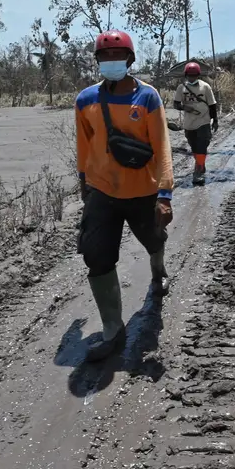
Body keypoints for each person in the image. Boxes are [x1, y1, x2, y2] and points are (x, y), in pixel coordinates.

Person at [75, 30, 176, 362]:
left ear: (130, 60)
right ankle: (112, 331)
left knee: (153, 238)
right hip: (103, 191)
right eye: (105, 57)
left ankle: (158, 270)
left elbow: (162, 146)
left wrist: (165, 193)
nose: (111, 62)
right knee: (97, 256)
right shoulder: (86, 100)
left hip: (143, 191)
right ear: (98, 62)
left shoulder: (147, 97)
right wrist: (84, 183)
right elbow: (84, 146)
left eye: (117, 57)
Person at [171, 61, 219, 186]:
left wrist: (215, 121)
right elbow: (176, 104)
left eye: (194, 75)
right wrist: (184, 108)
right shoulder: (181, 88)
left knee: (202, 146)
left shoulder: (205, 87)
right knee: (194, 148)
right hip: (189, 124)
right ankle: (200, 165)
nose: (192, 78)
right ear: (186, 75)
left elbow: (212, 105)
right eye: (189, 75)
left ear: (198, 75)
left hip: (203, 121)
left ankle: (198, 172)